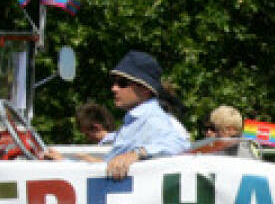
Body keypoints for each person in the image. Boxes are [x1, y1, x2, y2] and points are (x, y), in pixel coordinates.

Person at [48, 50, 189, 179]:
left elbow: (180, 144)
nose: (114, 88)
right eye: (114, 82)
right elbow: (112, 165)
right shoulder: (136, 120)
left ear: (145, 89)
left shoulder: (152, 118)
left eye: (122, 83)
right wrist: (65, 162)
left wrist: (136, 155)